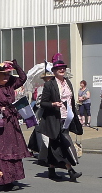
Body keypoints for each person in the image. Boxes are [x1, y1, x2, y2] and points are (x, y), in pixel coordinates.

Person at [0, 60, 32, 191]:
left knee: (13, 150)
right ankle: (1, 179)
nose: (7, 77)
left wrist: (16, 66)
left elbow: (23, 78)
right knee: (1, 152)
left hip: (11, 122)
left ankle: (12, 178)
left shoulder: (11, 85)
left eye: (8, 74)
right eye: (4, 75)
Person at [36, 53, 83, 182]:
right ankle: (70, 170)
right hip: (54, 119)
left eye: (63, 68)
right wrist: (53, 104)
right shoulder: (49, 85)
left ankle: (51, 170)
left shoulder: (68, 82)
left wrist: (75, 116)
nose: (62, 70)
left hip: (67, 117)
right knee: (63, 143)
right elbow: (43, 103)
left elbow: (72, 101)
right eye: (59, 68)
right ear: (54, 71)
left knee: (55, 144)